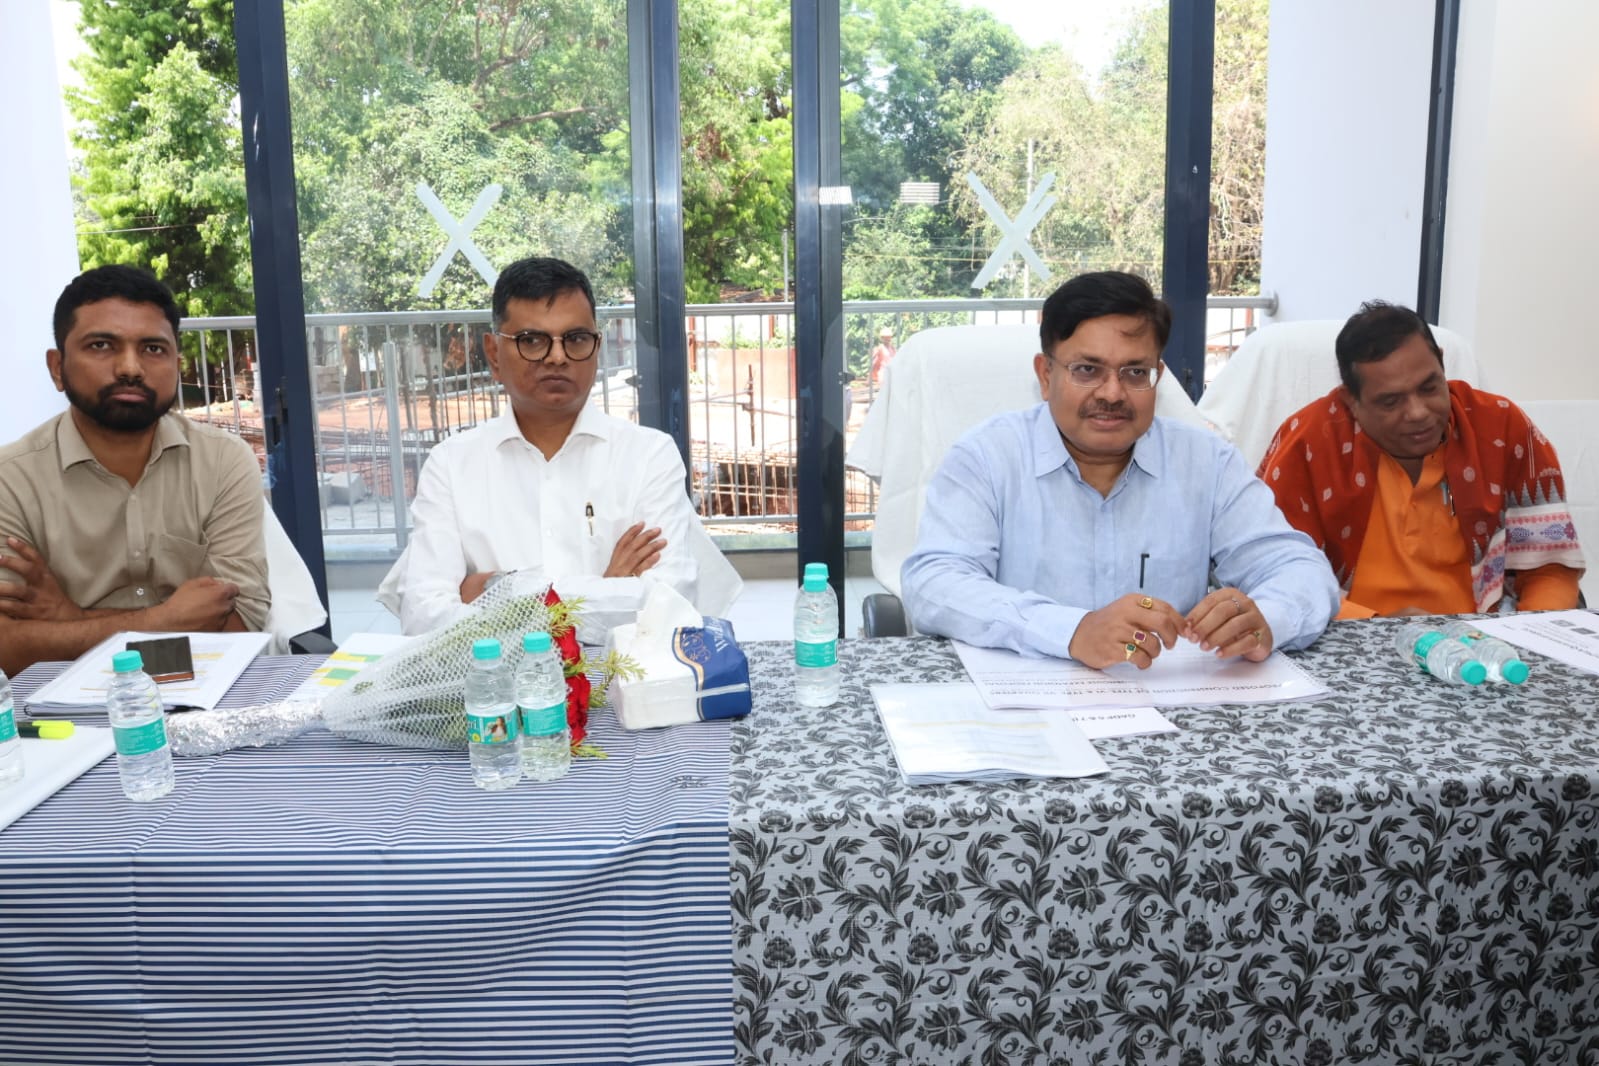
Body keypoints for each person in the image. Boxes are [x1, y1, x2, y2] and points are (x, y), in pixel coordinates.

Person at [900, 271, 1338, 669]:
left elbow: (1300, 568)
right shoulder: (986, 457)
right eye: (1087, 370)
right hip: (1027, 704)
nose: (1112, 393)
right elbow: (934, 582)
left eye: (1134, 372)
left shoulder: (1206, 462)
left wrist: (1267, 620)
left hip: (1172, 701)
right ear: (1045, 375)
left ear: (1157, 376)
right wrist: (1072, 630)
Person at [378, 256, 740, 638]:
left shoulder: (648, 456)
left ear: (596, 347)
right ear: (494, 353)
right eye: (531, 341)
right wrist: (606, 588)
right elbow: (423, 617)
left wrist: (494, 590)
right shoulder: (452, 464)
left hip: (621, 676)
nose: (556, 356)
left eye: (576, 339)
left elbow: (671, 601)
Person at [0, 265, 269, 675]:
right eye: (101, 345)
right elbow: (6, 648)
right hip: (60, 708)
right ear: (57, 368)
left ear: (177, 363)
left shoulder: (223, 460)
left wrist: (70, 619)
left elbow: (239, 629)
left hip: (213, 695)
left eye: (153, 349)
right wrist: (163, 620)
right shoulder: (10, 479)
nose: (130, 368)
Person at [1259, 301, 1584, 617]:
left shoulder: (1500, 428)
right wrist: (1377, 626)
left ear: (1441, 363)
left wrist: (1532, 636)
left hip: (1483, 637)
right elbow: (1277, 575)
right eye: (1391, 402)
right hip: (1351, 634)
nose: (1417, 413)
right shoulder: (1307, 445)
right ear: (1351, 400)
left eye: (1429, 388)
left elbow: (1548, 568)